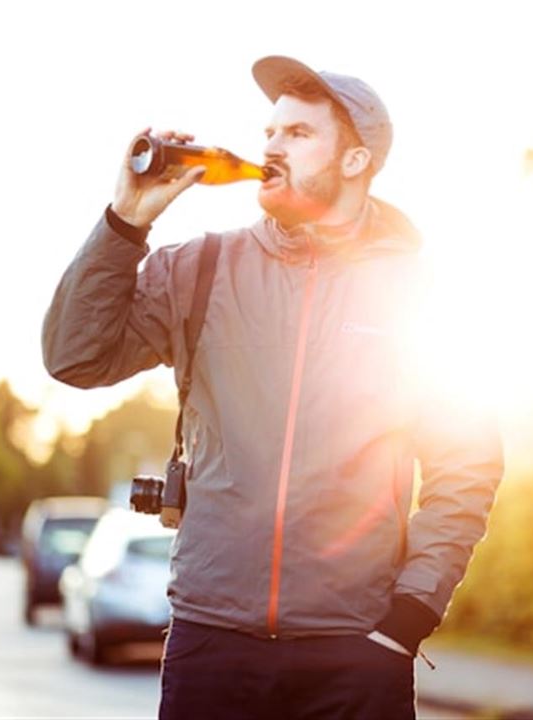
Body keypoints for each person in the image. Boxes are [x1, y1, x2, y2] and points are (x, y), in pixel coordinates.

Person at [42, 55, 503, 720]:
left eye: (298, 133)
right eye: (269, 132)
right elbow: (73, 357)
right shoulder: (200, 269)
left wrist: (407, 617)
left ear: (355, 161)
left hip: (356, 653)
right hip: (212, 646)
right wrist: (125, 221)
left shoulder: (420, 294)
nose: (270, 147)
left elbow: (467, 464)